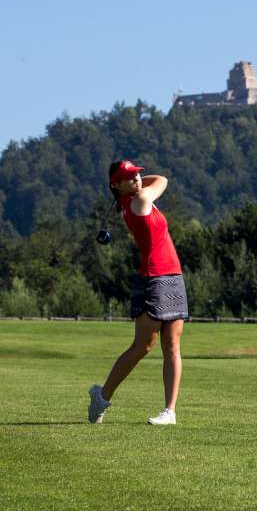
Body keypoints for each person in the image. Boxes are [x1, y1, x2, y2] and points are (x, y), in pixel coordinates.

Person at [88, 159, 189, 425]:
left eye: (137, 174)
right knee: (143, 346)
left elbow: (154, 180)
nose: (136, 179)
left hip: (173, 276)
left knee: (172, 346)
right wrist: (138, 186)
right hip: (153, 279)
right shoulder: (140, 200)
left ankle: (170, 411)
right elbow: (163, 180)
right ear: (117, 185)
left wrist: (131, 182)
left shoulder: (134, 197)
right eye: (129, 177)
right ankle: (102, 396)